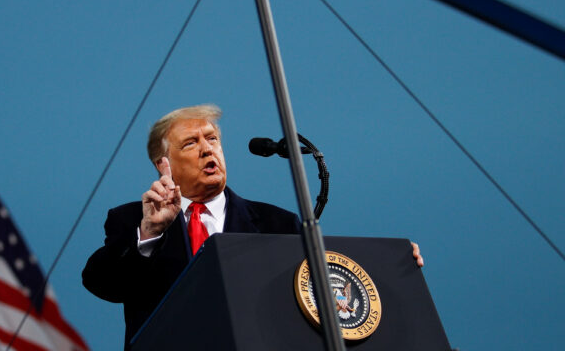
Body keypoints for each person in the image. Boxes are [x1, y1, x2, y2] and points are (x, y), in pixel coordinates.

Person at [82, 104, 423, 348]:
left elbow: (323, 289)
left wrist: (390, 265)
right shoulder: (133, 219)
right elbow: (103, 283)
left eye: (212, 139)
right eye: (191, 143)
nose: (206, 150)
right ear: (163, 165)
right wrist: (150, 234)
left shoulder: (278, 223)